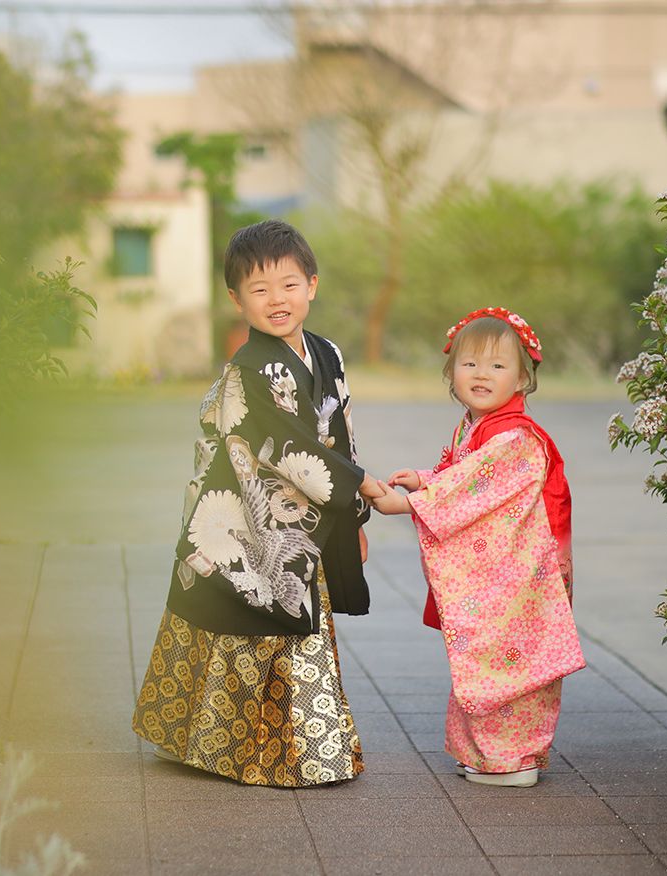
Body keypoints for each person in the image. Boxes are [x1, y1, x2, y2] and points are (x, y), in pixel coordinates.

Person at [132, 219, 382, 787]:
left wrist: (353, 519)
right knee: (248, 616)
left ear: (312, 285)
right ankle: (294, 753)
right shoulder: (248, 370)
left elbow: (339, 434)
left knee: (279, 623)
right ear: (235, 299)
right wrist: (362, 486)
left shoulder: (328, 354)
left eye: (290, 285)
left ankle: (228, 741)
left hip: (308, 518)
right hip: (247, 519)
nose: (277, 300)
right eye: (260, 289)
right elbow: (286, 446)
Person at [364, 307, 583, 787]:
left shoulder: (515, 437)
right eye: (470, 364)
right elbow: (467, 476)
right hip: (511, 570)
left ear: (523, 379)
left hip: (521, 574)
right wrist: (425, 479)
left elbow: (474, 487)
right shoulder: (481, 427)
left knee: (507, 660)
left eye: (498, 366)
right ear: (451, 374)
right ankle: (490, 757)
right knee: (493, 656)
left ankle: (513, 761)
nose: (482, 374)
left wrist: (410, 504)